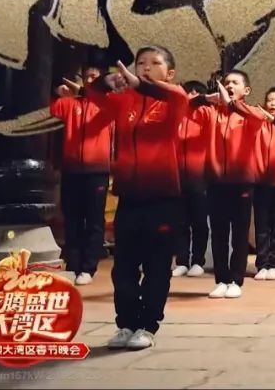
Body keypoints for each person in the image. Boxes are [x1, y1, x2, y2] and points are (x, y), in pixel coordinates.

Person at [85, 47, 190, 351]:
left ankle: (147, 325)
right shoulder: (125, 102)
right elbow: (92, 94)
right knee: (124, 267)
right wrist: (107, 81)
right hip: (129, 196)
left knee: (157, 266)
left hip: (163, 197)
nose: (145, 68)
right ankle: (126, 324)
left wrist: (141, 85)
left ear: (169, 73)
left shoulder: (173, 100)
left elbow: (178, 96)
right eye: (140, 63)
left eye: (154, 63)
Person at [192, 71, 263, 299]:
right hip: (215, 181)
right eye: (226, 82)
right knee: (219, 233)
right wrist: (205, 98)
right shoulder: (211, 113)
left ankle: (236, 280)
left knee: (240, 233)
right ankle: (221, 279)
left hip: (242, 181)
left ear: (246, 90)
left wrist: (232, 104)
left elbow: (259, 120)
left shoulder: (251, 113)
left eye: (235, 82)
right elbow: (184, 107)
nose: (229, 85)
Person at [50, 65, 112, 286]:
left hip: (97, 172)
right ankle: (73, 265)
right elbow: (51, 109)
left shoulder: (107, 103)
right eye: (87, 77)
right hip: (72, 170)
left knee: (94, 221)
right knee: (72, 220)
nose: (91, 80)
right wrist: (57, 92)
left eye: (95, 77)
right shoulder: (70, 104)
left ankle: (88, 267)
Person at [232, 87, 275, 280]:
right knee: (261, 225)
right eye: (269, 100)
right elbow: (243, 110)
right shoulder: (258, 125)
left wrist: (273, 119)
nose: (272, 103)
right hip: (260, 182)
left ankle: (274, 264)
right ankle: (262, 264)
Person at [173, 81, 210, 279]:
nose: (191, 95)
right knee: (180, 221)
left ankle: (197, 261)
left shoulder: (206, 115)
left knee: (199, 221)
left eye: (196, 92)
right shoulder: (177, 115)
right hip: (178, 176)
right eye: (189, 92)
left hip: (200, 176)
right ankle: (182, 261)